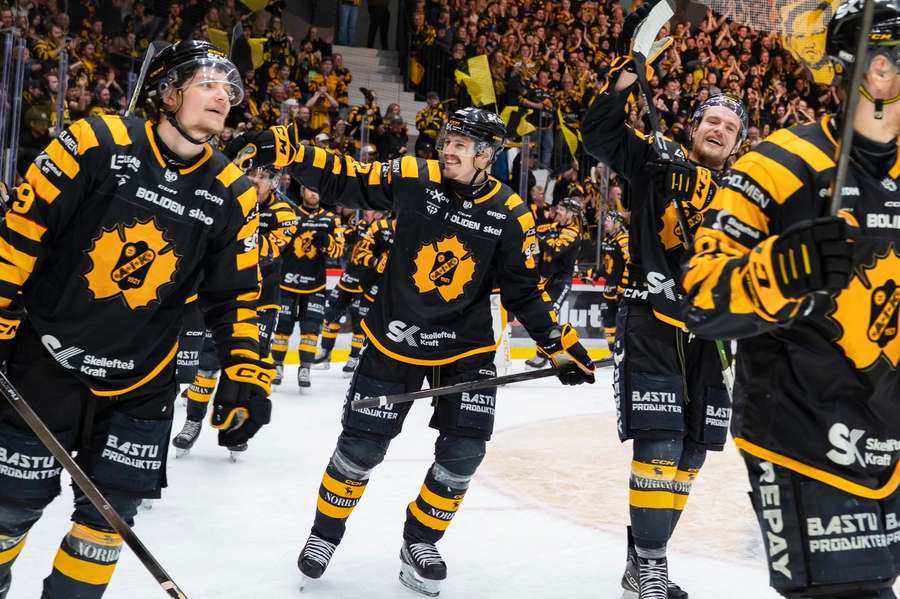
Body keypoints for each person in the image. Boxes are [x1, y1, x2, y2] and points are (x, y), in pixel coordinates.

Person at [230, 106, 595, 596]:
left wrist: (559, 345)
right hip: (394, 339)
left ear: (486, 155)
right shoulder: (415, 176)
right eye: (447, 140)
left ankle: (420, 542)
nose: (447, 149)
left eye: (461, 145)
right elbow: (350, 180)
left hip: (466, 350)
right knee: (360, 448)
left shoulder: (511, 212)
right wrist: (297, 155)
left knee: (463, 454)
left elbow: (524, 290)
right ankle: (324, 534)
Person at [0, 40, 272, 599]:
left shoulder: (233, 192)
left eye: (230, 88)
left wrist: (246, 375)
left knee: (107, 526)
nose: (224, 97)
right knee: (9, 508)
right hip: (48, 360)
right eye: (207, 83)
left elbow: (238, 297)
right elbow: (21, 236)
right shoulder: (94, 143)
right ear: (168, 92)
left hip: (141, 383)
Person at [682, 2, 900, 597]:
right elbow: (699, 298)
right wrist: (781, 271)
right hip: (803, 429)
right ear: (875, 71)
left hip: (888, 423)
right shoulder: (777, 165)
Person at [581, 1, 748, 595]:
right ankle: (651, 562)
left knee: (693, 452)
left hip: (708, 331)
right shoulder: (654, 159)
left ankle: (641, 559)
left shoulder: (747, 193)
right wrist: (626, 77)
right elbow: (596, 132)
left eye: (730, 127)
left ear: (736, 144)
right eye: (711, 119)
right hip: (649, 315)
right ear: (693, 125)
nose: (718, 129)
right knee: (660, 440)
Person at [173, 164, 298, 457]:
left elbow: (265, 253)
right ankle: (192, 422)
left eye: (263, 176)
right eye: (251, 174)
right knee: (205, 364)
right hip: (221, 298)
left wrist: (228, 245)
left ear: (274, 183)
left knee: (244, 367)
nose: (256, 180)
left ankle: (234, 429)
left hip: (261, 302)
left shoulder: (284, 214)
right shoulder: (225, 201)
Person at [269, 184, 343, 389]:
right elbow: (275, 243)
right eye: (309, 189)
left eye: (317, 190)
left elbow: (338, 251)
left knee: (310, 329)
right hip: (286, 282)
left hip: (315, 284)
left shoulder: (331, 219)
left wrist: (327, 240)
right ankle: (277, 365)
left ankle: (305, 367)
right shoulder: (289, 213)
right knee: (282, 328)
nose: (313, 193)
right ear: (302, 192)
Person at [315, 209, 384, 374]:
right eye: (366, 209)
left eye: (371, 210)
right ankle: (326, 353)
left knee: (359, 321)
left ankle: (354, 358)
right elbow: (345, 236)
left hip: (367, 281)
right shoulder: (359, 224)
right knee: (331, 312)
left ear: (380, 214)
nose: (366, 213)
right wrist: (334, 232)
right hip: (349, 276)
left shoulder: (383, 230)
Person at [526, 197, 583, 368]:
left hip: (560, 281)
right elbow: (538, 240)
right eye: (559, 208)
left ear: (571, 214)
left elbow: (556, 250)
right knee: (542, 316)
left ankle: (553, 354)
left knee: (549, 315)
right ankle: (550, 353)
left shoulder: (573, 232)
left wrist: (543, 237)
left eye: (562, 210)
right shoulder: (555, 227)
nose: (558, 212)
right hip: (545, 280)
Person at [598, 210, 629, 349]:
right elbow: (607, 266)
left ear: (617, 223)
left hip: (621, 288)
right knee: (607, 315)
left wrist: (623, 287)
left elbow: (630, 264)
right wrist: (594, 274)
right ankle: (612, 350)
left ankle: (622, 348)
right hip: (609, 286)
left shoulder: (624, 240)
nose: (604, 223)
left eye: (608, 220)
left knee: (623, 320)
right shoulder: (606, 240)